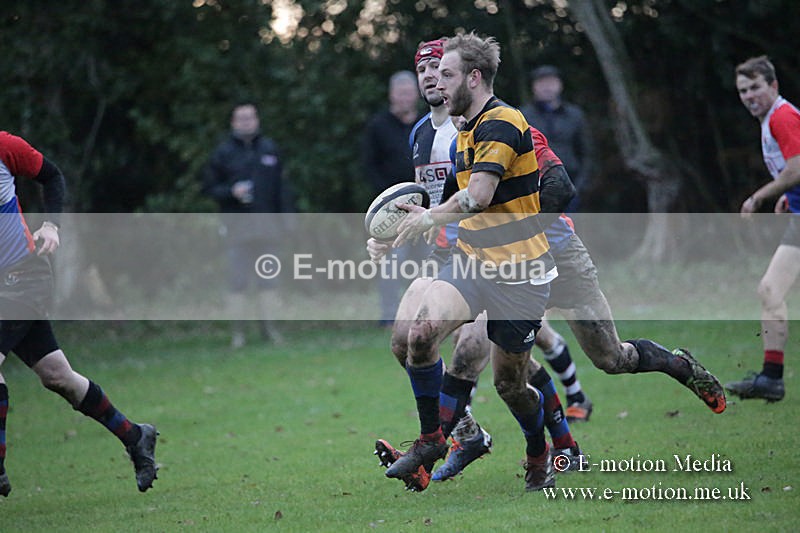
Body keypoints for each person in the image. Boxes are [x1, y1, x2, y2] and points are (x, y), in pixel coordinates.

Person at [368, 40, 585, 488]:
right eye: (425, 70)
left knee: (508, 377)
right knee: (412, 338)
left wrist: (529, 231)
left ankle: (548, 448)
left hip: (516, 268)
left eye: (442, 70)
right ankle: (441, 439)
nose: (433, 78)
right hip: (460, 256)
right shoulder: (434, 132)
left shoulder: (500, 122)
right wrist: (391, 235)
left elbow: (504, 192)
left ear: (470, 77)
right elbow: (432, 200)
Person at [0, 131, 158, 496]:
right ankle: (135, 436)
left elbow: (52, 175)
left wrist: (51, 225)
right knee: (59, 377)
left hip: (25, 276)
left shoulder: (6, 147)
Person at [726, 56, 800, 402]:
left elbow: (796, 169)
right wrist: (789, 196)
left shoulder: (782, 116)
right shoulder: (771, 120)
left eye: (755, 87)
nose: (749, 96)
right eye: (743, 91)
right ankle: (771, 378)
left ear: (773, 86)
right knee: (770, 290)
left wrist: (759, 197)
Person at [202, 101, 294, 348]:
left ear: (257, 120)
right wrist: (231, 192)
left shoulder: (269, 149)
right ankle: (238, 334)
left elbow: (282, 189)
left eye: (250, 118)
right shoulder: (223, 153)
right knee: (237, 282)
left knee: (269, 280)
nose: (246, 122)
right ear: (233, 122)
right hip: (236, 229)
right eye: (241, 118)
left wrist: (287, 221)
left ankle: (270, 329)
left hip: (268, 228)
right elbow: (209, 187)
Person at [362, 71, 427, 326]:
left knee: (426, 260)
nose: (404, 98)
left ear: (416, 95)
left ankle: (424, 313)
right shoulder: (378, 126)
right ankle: (389, 316)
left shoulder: (426, 124)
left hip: (425, 207)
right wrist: (388, 200)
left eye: (409, 93)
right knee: (392, 262)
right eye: (400, 93)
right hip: (391, 211)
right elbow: (369, 166)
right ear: (391, 95)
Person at [521, 65, 593, 212]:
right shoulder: (522, 116)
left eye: (551, 82)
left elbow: (587, 153)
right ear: (533, 86)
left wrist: (580, 187)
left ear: (560, 85)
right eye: (542, 83)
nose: (547, 87)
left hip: (570, 185)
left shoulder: (574, 115)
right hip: (535, 189)